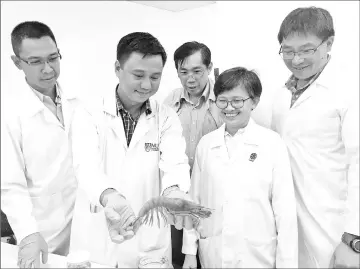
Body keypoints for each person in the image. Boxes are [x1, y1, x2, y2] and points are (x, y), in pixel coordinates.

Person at [69, 32, 195, 268]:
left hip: (149, 245)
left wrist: (174, 190)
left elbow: (175, 161)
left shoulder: (165, 117)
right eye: (139, 75)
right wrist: (110, 196)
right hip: (98, 242)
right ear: (118, 68)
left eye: (155, 77)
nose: (147, 85)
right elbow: (85, 166)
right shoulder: (89, 112)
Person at [182, 67, 298, 268]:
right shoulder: (207, 144)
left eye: (237, 101)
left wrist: (287, 263)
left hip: (257, 255)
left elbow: (284, 211)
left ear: (254, 101)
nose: (229, 107)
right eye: (222, 100)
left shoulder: (272, 143)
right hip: (213, 253)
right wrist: (190, 252)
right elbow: (194, 202)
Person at [271, 6, 360, 268]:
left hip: (335, 227)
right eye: (287, 51)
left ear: (329, 43)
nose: (296, 59)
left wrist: (353, 237)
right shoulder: (281, 95)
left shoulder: (348, 91)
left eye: (306, 50)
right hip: (290, 224)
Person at [1, 21, 80, 268]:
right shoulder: (10, 114)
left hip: (82, 226)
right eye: (35, 61)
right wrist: (27, 232)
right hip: (42, 228)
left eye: (53, 58)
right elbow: (10, 184)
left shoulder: (77, 102)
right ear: (17, 63)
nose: (48, 69)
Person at [163, 41, 222, 268]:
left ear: (209, 68)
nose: (190, 79)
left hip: (212, 191)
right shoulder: (170, 103)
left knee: (209, 253)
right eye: (183, 72)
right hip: (180, 192)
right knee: (179, 256)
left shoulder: (222, 101)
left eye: (197, 71)